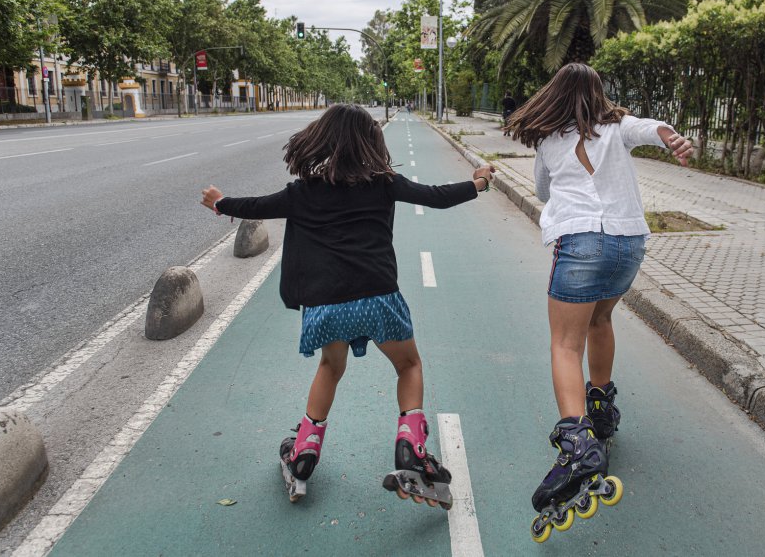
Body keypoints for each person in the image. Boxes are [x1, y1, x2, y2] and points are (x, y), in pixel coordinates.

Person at [200, 104, 495, 507]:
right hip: (379, 298)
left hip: (325, 306)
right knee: (408, 365)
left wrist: (220, 203)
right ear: (370, 143)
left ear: (321, 139)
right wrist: (478, 183)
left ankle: (304, 453)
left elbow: (256, 207)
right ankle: (411, 450)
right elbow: (436, 197)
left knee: (330, 367)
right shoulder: (384, 183)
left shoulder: (302, 191)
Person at [504, 63, 693, 542]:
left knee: (565, 344)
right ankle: (601, 409)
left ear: (554, 95)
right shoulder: (616, 126)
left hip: (582, 241)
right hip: (628, 244)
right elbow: (652, 128)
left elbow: (545, 192)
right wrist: (672, 137)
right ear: (598, 93)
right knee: (601, 320)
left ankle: (576, 443)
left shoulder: (548, 140)